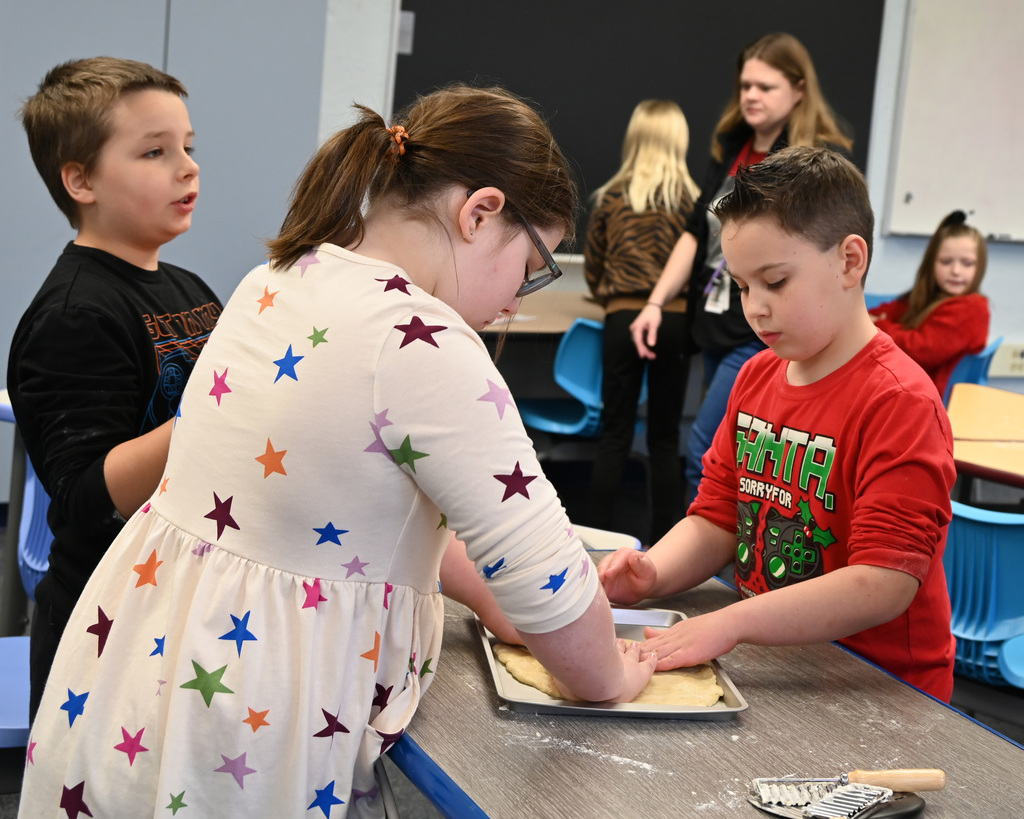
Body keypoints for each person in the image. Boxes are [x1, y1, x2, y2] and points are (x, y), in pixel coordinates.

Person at [20, 84, 656, 818]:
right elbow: (551, 582)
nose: (518, 298)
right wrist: (610, 676)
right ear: (479, 213)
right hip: (254, 714)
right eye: (534, 263)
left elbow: (352, 509)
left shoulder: (279, 278)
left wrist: (488, 597)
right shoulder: (425, 341)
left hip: (145, 669)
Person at [599, 146, 957, 702]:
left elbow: (882, 583)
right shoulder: (756, 377)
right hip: (779, 660)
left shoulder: (900, 401)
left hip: (877, 688)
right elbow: (718, 517)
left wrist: (733, 623)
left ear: (849, 260)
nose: (755, 308)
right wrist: (654, 572)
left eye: (775, 281)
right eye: (742, 286)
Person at [8, 56, 223, 722]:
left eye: (188, 146)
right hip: (109, 628)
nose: (187, 166)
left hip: (183, 602)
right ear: (81, 180)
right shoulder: (75, 314)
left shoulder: (191, 289)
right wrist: (222, 413)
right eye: (155, 152)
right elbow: (83, 498)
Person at [630, 32, 853, 502]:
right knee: (733, 454)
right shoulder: (732, 146)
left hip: (760, 329)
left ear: (798, 89)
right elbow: (696, 231)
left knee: (705, 450)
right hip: (713, 322)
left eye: (765, 87)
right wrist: (655, 302)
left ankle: (713, 565)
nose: (751, 95)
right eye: (746, 85)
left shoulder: (812, 164)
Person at [583, 100, 700, 544]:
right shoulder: (693, 204)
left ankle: (593, 541)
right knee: (666, 438)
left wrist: (614, 298)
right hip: (674, 322)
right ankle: (665, 547)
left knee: (614, 433)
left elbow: (594, 268)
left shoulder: (612, 198)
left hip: (621, 319)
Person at [869, 211, 990, 399]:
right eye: (946, 262)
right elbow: (895, 309)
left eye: (967, 264)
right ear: (931, 263)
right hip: (910, 390)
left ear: (979, 267)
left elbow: (919, 350)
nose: (956, 271)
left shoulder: (971, 309)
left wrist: (878, 325)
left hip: (921, 402)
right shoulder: (934, 297)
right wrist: (870, 318)